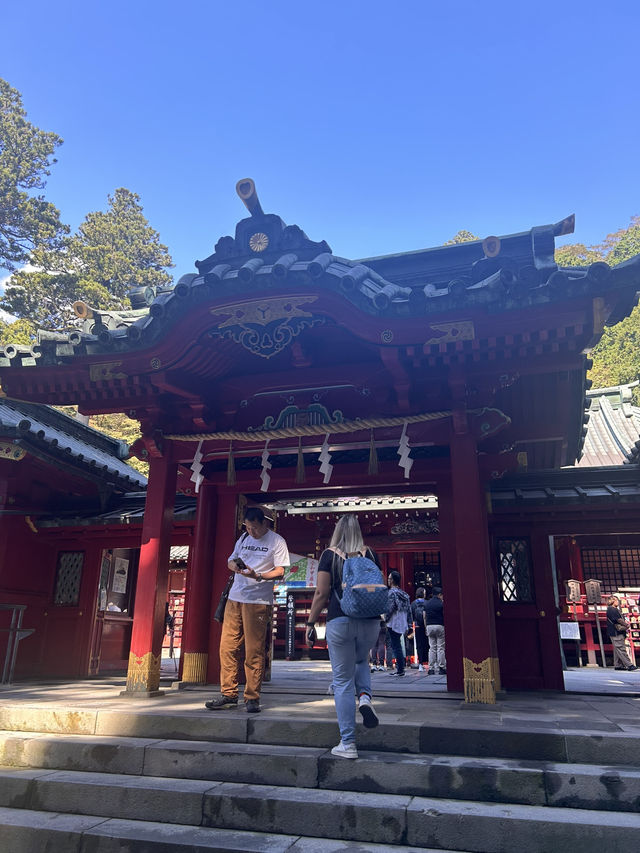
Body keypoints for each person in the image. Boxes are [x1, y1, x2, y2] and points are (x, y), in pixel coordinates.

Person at [305, 515, 381, 759]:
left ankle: (348, 743)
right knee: (361, 662)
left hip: (340, 620)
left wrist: (311, 622)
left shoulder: (330, 555)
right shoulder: (370, 554)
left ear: (337, 531)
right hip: (370, 622)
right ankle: (366, 698)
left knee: (342, 681)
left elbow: (321, 592)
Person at [205, 507, 289, 713]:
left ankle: (252, 697)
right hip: (235, 597)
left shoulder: (277, 541)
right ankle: (228, 694)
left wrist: (258, 575)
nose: (251, 531)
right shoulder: (243, 538)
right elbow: (231, 559)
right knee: (227, 647)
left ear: (264, 523)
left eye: (254, 528)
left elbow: (280, 571)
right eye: (248, 527)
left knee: (254, 650)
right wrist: (233, 566)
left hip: (258, 600)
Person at [385, 571, 411, 677]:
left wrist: (385, 618)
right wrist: (409, 623)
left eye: (389, 578)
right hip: (402, 621)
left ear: (392, 580)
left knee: (396, 645)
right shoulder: (404, 594)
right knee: (398, 644)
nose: (388, 580)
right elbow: (409, 610)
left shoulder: (391, 593)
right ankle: (400, 667)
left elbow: (390, 609)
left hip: (393, 621)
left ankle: (400, 669)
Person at [606, 595, 637, 671]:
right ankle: (629, 665)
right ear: (612, 601)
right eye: (616, 600)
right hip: (616, 632)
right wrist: (626, 625)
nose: (618, 602)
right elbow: (618, 619)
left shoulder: (613, 609)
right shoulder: (612, 609)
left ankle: (618, 664)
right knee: (621, 648)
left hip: (615, 632)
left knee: (617, 649)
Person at [425, 586, 446, 675]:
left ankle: (431, 668)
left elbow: (424, 616)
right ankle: (442, 667)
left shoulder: (427, 603)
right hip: (439, 625)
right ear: (439, 594)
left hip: (429, 625)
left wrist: (426, 627)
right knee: (440, 647)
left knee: (432, 648)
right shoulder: (441, 604)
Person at [410, 587, 429, 671]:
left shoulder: (413, 604)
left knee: (419, 645)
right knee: (427, 644)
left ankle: (420, 663)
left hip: (417, 626)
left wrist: (411, 624)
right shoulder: (427, 603)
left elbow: (411, 615)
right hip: (426, 626)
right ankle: (428, 662)